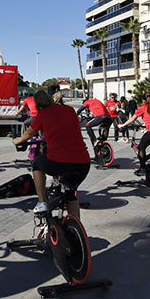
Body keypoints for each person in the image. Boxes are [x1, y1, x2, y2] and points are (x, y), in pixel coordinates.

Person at [12, 90, 90, 219]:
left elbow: (29, 133)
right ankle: (77, 229)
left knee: (37, 164)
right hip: (83, 163)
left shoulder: (42, 114)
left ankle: (42, 202)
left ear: (37, 104)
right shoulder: (69, 110)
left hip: (59, 163)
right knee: (70, 195)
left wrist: (18, 140)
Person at [118, 93, 150, 176]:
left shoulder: (143, 107)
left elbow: (133, 118)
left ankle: (142, 169)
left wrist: (123, 125)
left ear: (143, 100)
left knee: (141, 147)